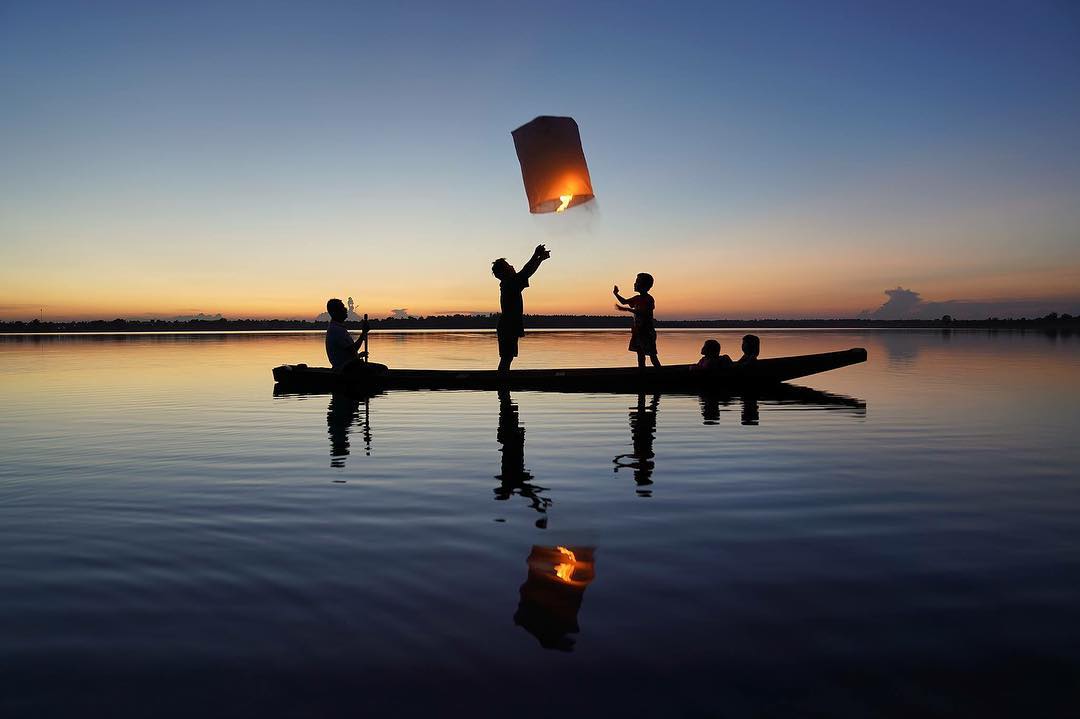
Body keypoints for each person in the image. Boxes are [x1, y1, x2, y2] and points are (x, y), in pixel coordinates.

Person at [492, 244, 551, 373]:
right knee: (506, 358)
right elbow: (526, 271)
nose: (512, 267)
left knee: (508, 358)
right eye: (509, 266)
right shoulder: (510, 283)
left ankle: (503, 385)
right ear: (504, 272)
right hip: (508, 325)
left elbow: (526, 273)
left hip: (509, 324)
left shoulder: (510, 283)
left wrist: (539, 259)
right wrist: (536, 256)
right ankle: (502, 382)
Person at [614, 273, 660, 368]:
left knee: (652, 355)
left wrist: (627, 309)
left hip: (647, 332)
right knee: (640, 354)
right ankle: (642, 373)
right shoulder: (636, 298)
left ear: (644, 286)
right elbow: (624, 301)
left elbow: (643, 312)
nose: (634, 284)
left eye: (637, 282)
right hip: (638, 331)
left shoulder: (649, 299)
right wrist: (616, 294)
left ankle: (660, 373)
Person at [324, 298, 370, 371]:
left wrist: (358, 356)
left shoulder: (338, 327)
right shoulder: (336, 330)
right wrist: (363, 333)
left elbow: (347, 352)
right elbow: (353, 349)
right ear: (334, 313)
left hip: (348, 366)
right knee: (382, 369)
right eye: (342, 308)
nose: (345, 309)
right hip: (346, 369)